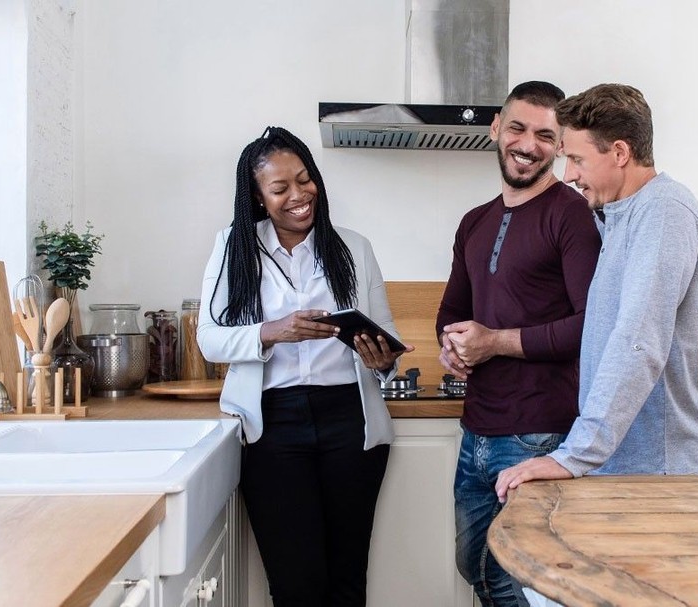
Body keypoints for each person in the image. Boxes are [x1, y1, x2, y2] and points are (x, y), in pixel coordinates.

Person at [197, 126, 412, 607]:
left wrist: (382, 362)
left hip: (349, 424)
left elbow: (385, 336)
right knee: (296, 584)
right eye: (280, 188)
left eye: (305, 178)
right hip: (273, 427)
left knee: (347, 579)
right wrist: (274, 331)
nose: (299, 195)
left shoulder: (353, 247)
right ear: (257, 197)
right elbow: (209, 340)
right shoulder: (234, 246)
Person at [495, 83, 698, 500]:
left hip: (661, 475)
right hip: (628, 468)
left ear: (619, 153)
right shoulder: (619, 216)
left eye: (577, 159)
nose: (569, 175)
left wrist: (574, 455)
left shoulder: (664, 212)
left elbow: (639, 341)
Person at [436, 81, 601, 606]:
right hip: (478, 430)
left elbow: (590, 325)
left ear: (560, 144)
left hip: (541, 433)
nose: (528, 144)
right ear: (495, 129)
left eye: (545, 135)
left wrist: (495, 343)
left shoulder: (572, 214)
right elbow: (451, 312)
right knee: (476, 565)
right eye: (518, 128)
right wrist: (451, 344)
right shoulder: (474, 222)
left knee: (527, 580)